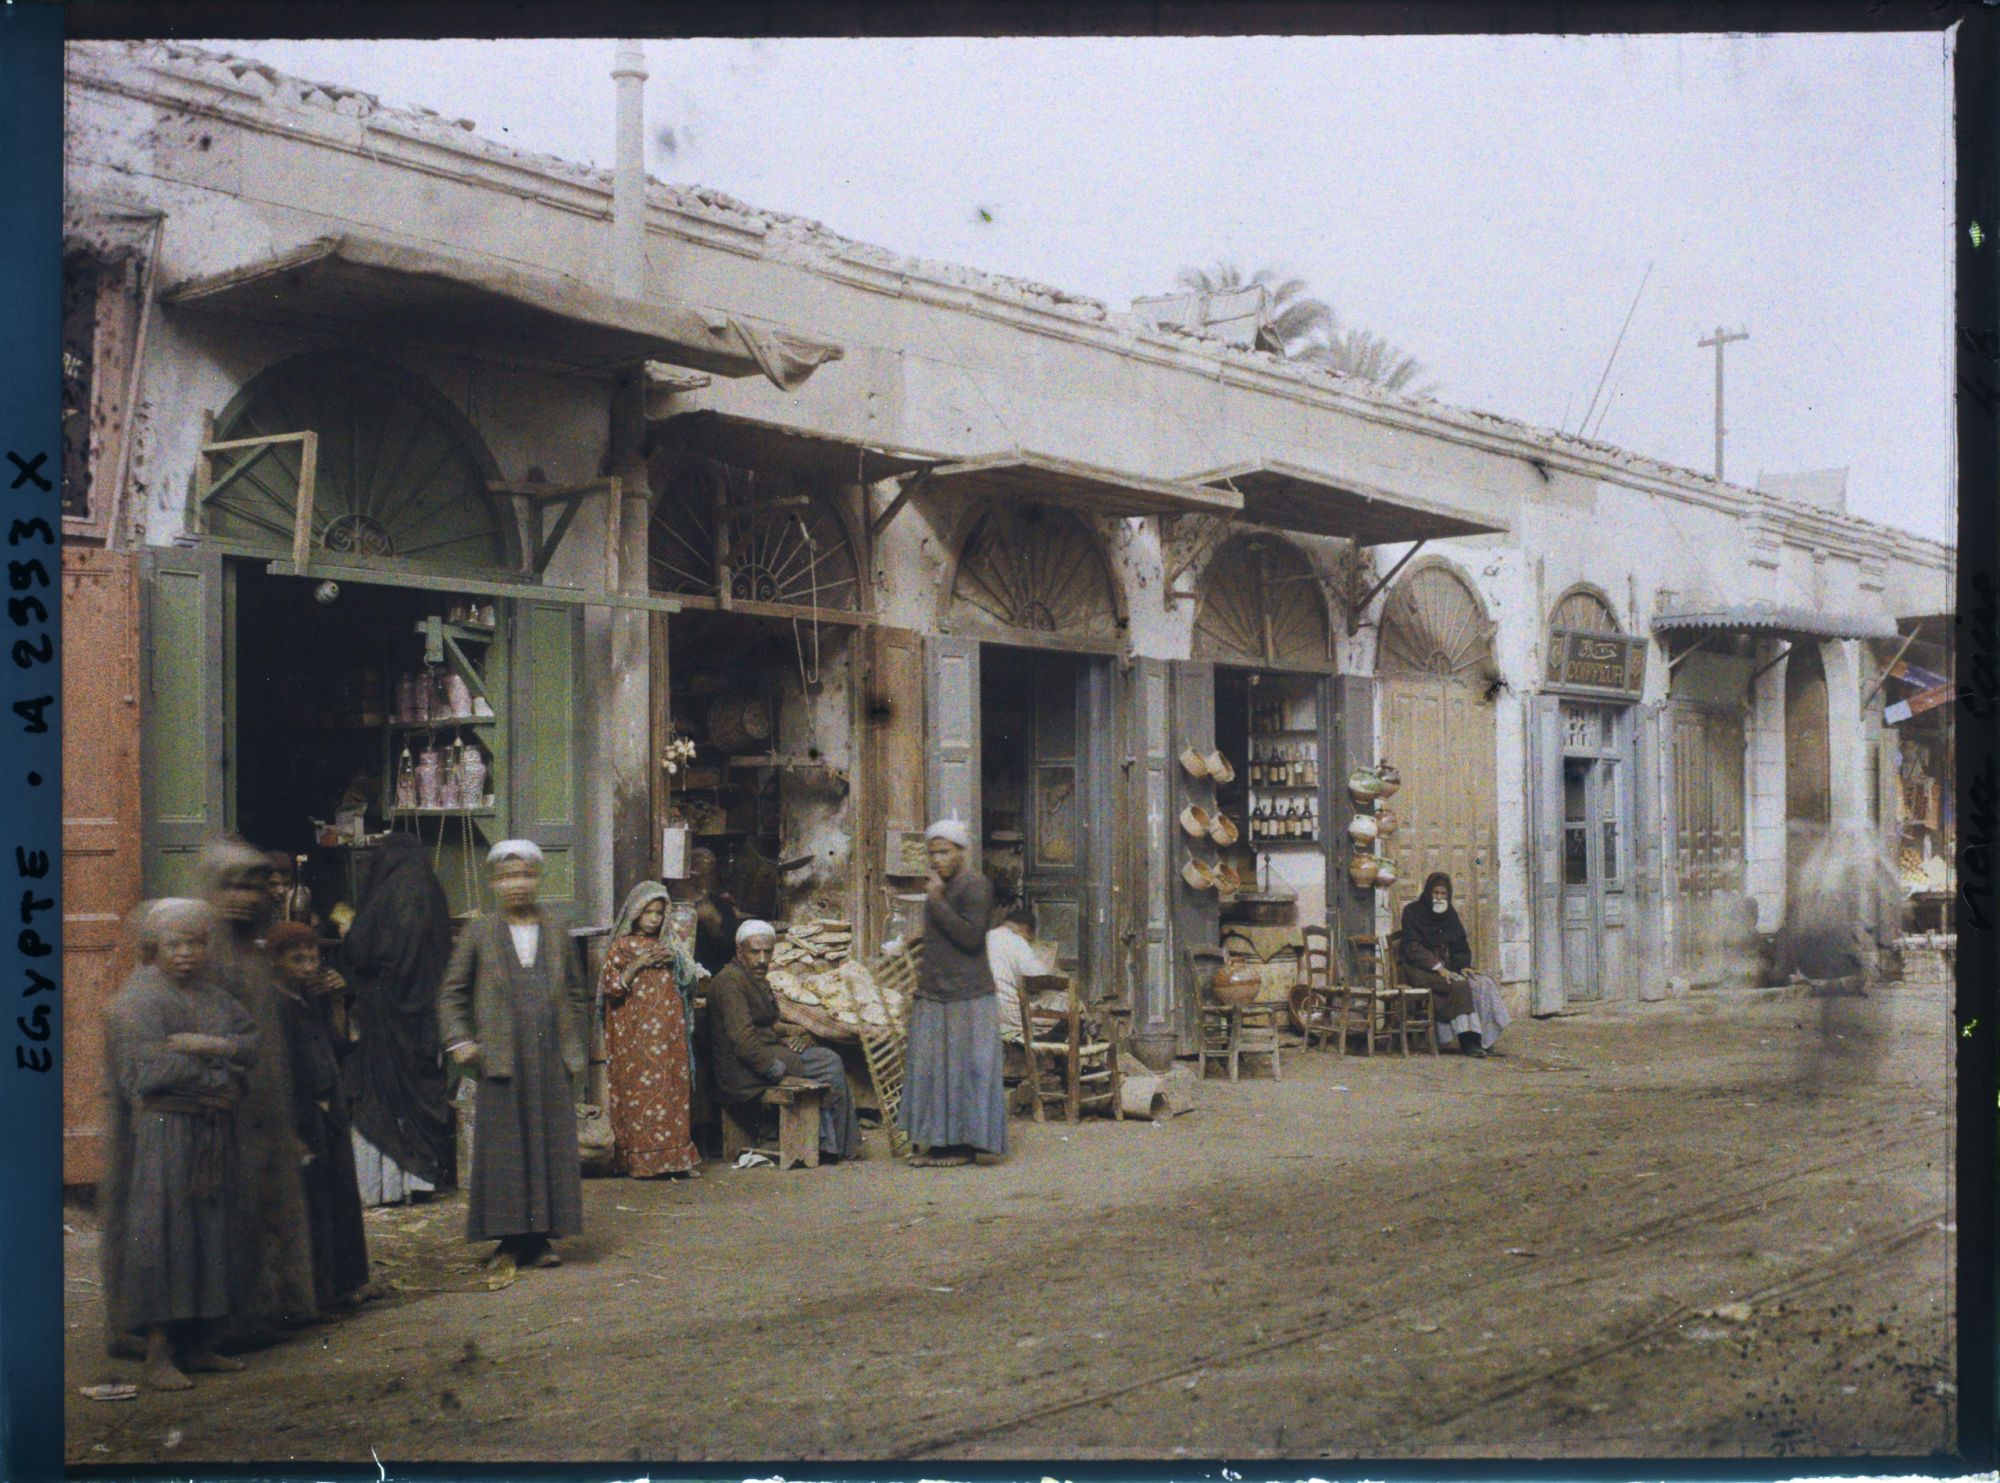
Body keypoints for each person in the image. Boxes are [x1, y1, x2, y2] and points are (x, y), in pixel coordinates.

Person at [100, 899, 258, 1390]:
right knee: (165, 1233)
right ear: (153, 948)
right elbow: (147, 1073)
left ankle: (197, 1344)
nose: (187, 953)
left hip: (209, 1130)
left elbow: (250, 1047)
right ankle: (157, 1353)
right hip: (163, 1132)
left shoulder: (213, 997)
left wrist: (203, 1045)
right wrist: (217, 1066)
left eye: (195, 943)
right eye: (175, 943)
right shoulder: (136, 1000)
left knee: (209, 1231)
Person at [437, 840, 587, 1269]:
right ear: (493, 884)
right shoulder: (480, 931)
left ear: (538, 879)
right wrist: (460, 1040)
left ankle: (539, 1240)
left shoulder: (557, 930)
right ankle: (508, 1240)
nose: (516, 885)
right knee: (504, 1146)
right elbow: (452, 993)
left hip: (548, 1055)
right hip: (501, 1056)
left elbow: (576, 994)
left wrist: (572, 1043)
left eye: (524, 875)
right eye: (506, 877)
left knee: (548, 1143)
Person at [201, 839, 319, 1346]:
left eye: (252, 886)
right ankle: (223, 1321)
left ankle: (267, 1309)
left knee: (266, 1205)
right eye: (230, 886)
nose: (244, 898)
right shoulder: (198, 954)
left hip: (263, 1104)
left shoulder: (254, 955)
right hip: (217, 1105)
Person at [341, 831, 455, 1206]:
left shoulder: (385, 895)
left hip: (383, 1012)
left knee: (379, 1097)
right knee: (418, 1090)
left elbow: (361, 952)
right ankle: (418, 1182)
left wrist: (348, 930)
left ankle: (382, 1187)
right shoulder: (433, 894)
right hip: (424, 1012)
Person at [266, 923, 372, 1311]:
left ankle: (346, 1284)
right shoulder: (273, 1005)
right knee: (312, 1203)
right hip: (300, 1112)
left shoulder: (313, 1000)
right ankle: (316, 1294)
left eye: (313, 957)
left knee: (340, 1194)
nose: (309, 966)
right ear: (275, 962)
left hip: (331, 1108)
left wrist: (339, 1001)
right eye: (297, 959)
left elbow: (341, 1044)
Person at [705, 919, 862, 1162]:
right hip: (742, 1071)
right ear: (740, 951)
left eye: (767, 952)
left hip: (759, 1055)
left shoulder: (754, 979)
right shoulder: (730, 983)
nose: (762, 959)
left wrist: (790, 1031)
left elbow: (765, 1023)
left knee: (823, 1055)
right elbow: (743, 1041)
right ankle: (831, 1147)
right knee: (828, 1062)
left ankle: (829, 1143)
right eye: (755, 951)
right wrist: (774, 1069)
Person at [901, 820, 1007, 1167]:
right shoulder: (942, 888)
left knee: (964, 1071)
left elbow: (970, 937)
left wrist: (934, 900)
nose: (937, 859)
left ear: (962, 852)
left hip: (967, 993)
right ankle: (937, 1144)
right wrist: (919, 937)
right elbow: (948, 929)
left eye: (944, 851)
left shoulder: (976, 885)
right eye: (932, 852)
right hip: (935, 989)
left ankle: (963, 1147)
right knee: (933, 1070)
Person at [599, 881, 702, 1178]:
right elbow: (611, 988)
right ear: (635, 913)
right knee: (642, 1093)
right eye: (648, 912)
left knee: (672, 1090)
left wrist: (678, 962)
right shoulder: (622, 947)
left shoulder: (670, 946)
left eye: (659, 912)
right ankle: (641, 1161)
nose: (655, 919)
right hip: (636, 1040)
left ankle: (675, 1158)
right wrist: (639, 964)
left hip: (669, 1037)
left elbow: (688, 982)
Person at [1399, 872, 1511, 1057]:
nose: (1439, 898)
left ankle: (1483, 1039)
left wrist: (1463, 966)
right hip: (1420, 970)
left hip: (1446, 969)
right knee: (1459, 985)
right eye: (1435, 893)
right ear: (1428, 892)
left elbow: (1460, 945)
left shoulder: (1450, 914)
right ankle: (1467, 1041)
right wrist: (1439, 968)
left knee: (1483, 983)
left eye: (1443, 894)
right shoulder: (1412, 912)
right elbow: (1413, 948)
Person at [987, 899, 1051, 1045]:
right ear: (1026, 930)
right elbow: (1040, 977)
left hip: (984, 1015)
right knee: (1069, 1004)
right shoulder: (1017, 941)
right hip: (1008, 1017)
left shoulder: (986, 937)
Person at [685, 846, 743, 976]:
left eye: (709, 873)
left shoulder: (722, 906)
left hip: (714, 974)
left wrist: (714, 924)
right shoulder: (676, 905)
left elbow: (732, 949)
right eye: (696, 874)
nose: (703, 880)